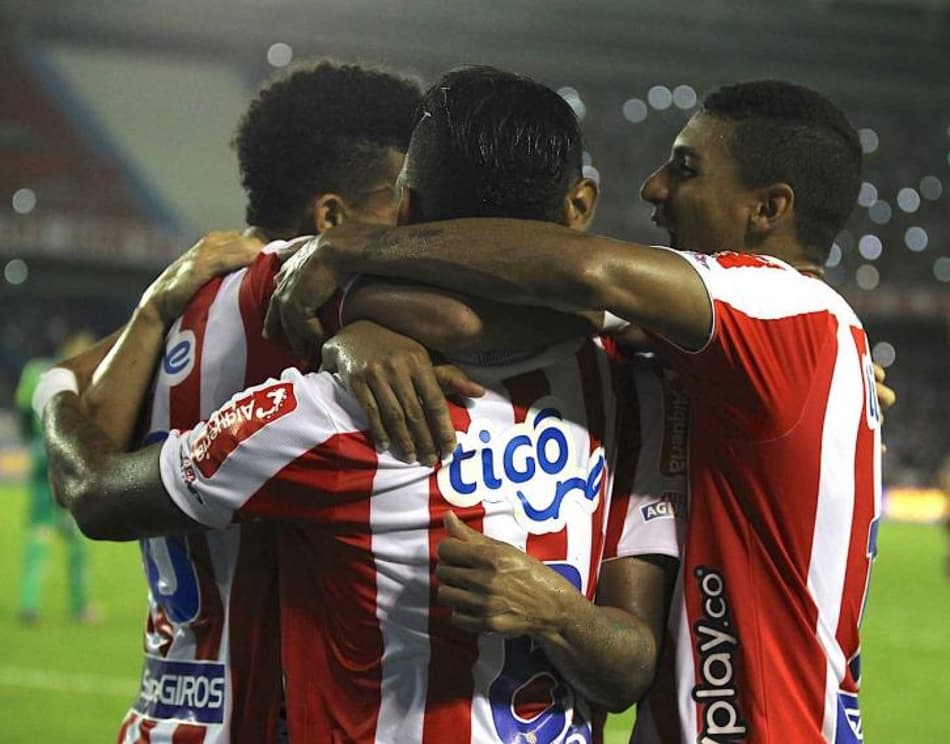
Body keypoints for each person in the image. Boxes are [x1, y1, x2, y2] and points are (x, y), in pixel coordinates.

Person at [43, 66, 681, 742]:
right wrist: (352, 331)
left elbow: (86, 446)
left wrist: (91, 357)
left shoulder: (194, 304)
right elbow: (483, 317)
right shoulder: (311, 336)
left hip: (165, 710)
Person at [265, 79, 882, 743]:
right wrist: (357, 330)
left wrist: (352, 249)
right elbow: (526, 317)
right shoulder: (746, 347)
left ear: (769, 209)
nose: (653, 188)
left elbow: (582, 273)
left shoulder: (785, 314)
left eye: (686, 168)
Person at [70, 60, 424, 743]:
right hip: (270, 720)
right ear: (332, 217)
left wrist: (69, 375)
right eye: (402, 203)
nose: (414, 228)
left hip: (163, 712)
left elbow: (79, 423)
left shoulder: (175, 309)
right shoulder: (309, 300)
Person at [13, 330, 96, 625]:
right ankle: (81, 607)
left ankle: (29, 603)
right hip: (63, 458)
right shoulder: (81, 374)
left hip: (39, 456)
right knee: (74, 536)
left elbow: (22, 409)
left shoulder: (35, 370)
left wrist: (32, 442)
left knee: (39, 532)